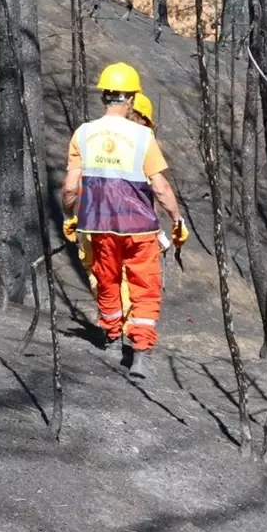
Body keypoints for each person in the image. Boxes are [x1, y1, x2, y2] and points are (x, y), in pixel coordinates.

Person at [62, 63, 187, 379]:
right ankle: (141, 357)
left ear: (104, 95)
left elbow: (68, 186)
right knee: (144, 287)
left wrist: (70, 217)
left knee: (108, 280)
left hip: (98, 224)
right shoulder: (143, 136)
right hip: (140, 228)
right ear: (131, 98)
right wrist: (177, 218)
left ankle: (113, 340)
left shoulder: (84, 133)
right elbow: (160, 186)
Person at [77, 91, 171, 320]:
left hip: (92, 222)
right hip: (128, 228)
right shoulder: (140, 142)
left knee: (102, 277)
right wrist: (160, 230)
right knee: (127, 282)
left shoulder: (95, 136)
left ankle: (112, 328)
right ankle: (123, 330)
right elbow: (154, 191)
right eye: (145, 121)